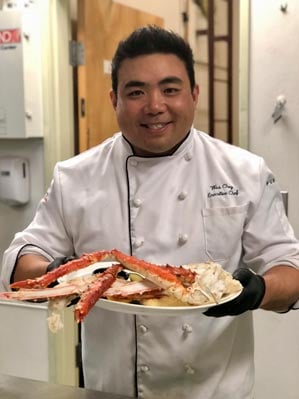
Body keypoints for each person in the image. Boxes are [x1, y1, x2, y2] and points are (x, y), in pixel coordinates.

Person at [1, 25, 299, 399]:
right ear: (114, 100)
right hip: (111, 390)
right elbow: (20, 259)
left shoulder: (244, 171)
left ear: (194, 94)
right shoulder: (75, 177)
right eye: (136, 92)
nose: (154, 105)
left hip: (215, 391)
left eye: (170, 89)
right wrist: (63, 275)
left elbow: (290, 267)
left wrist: (258, 291)